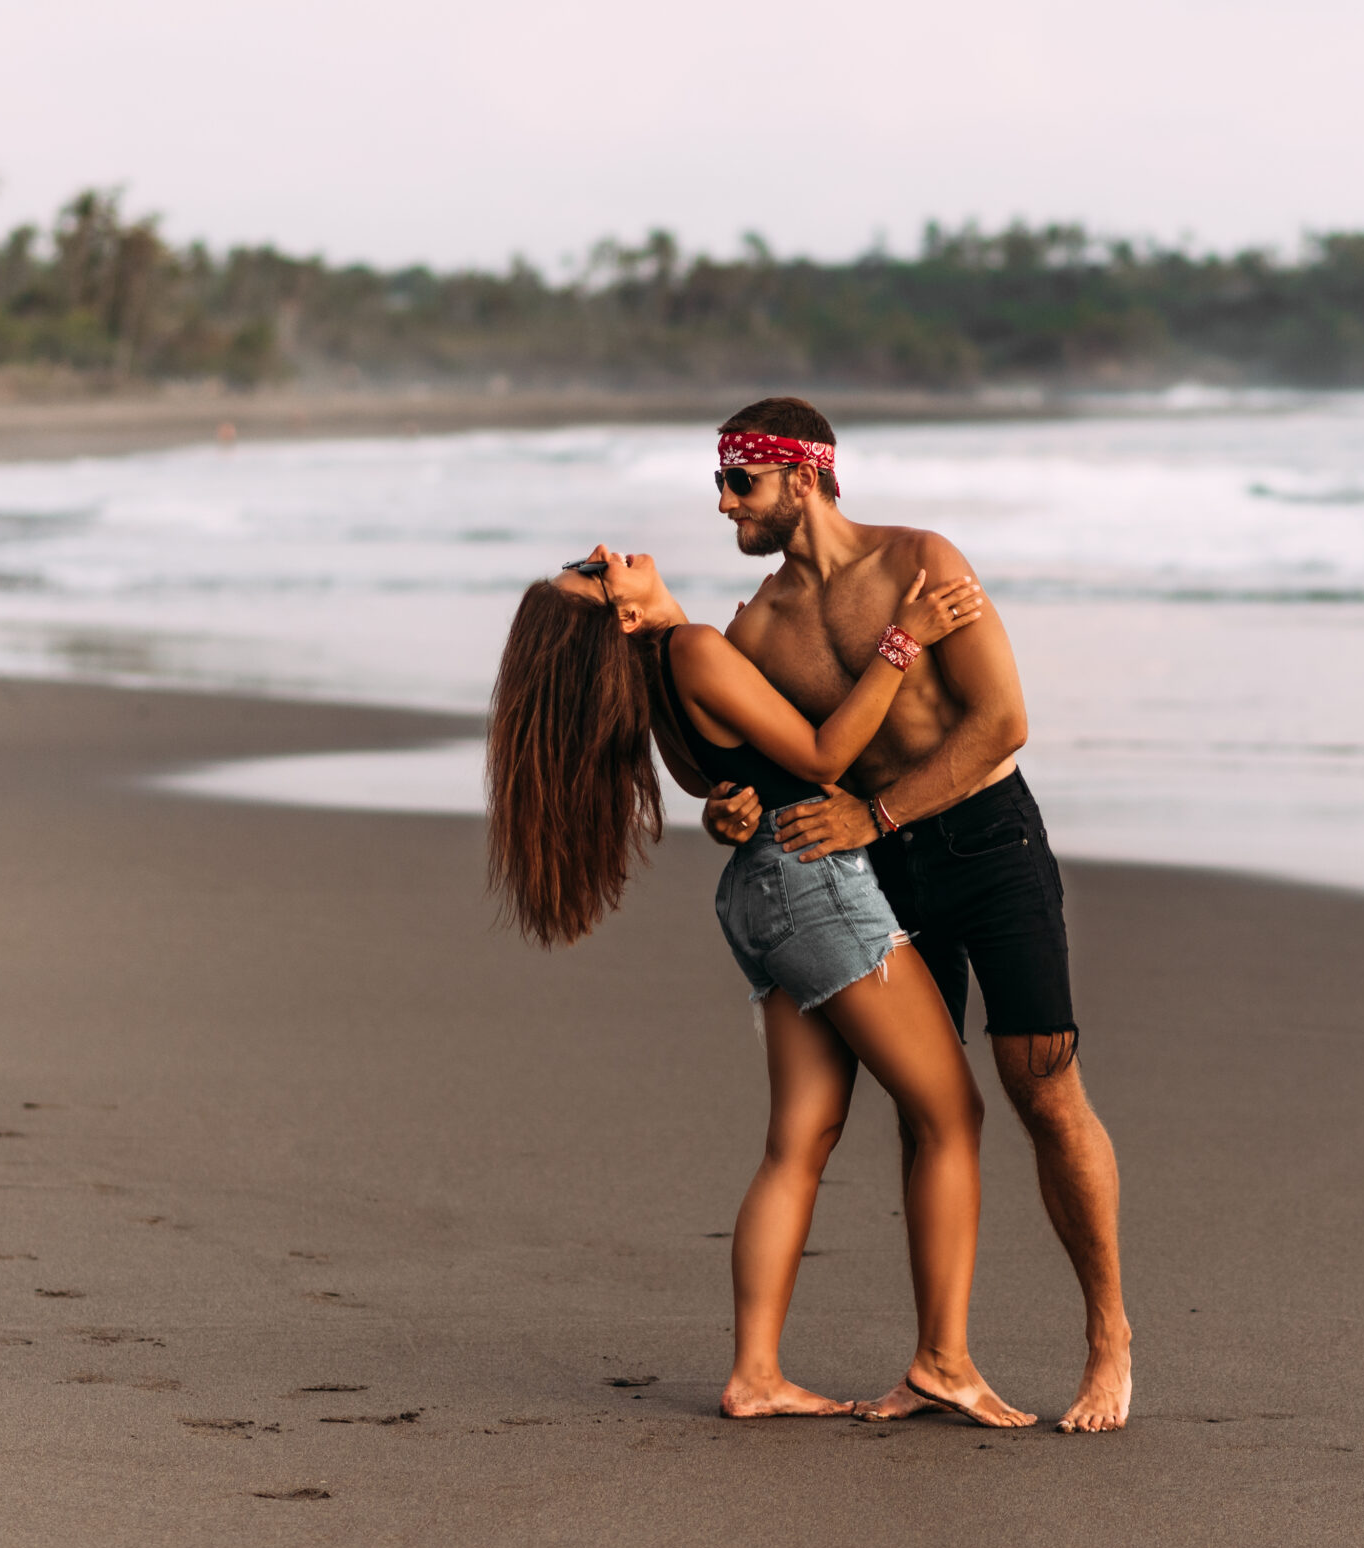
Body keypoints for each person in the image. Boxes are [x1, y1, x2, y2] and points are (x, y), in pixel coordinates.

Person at [486, 543, 1034, 1428]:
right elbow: (822, 755)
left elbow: (724, 786)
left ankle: (757, 1374)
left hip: (756, 893)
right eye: (594, 572)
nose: (604, 555)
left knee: (799, 1141)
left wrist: (722, 810)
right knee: (951, 1114)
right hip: (812, 880)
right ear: (621, 615)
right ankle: (944, 1362)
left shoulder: (659, 685)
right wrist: (905, 639)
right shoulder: (693, 648)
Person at [698, 398, 1135, 1434]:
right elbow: (774, 761)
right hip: (874, 866)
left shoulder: (921, 561)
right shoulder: (754, 628)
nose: (725, 507)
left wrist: (881, 808)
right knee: (928, 1104)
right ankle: (941, 1355)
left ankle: (1108, 1332)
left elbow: (1002, 722)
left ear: (802, 477)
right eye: (721, 485)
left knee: (1042, 1084)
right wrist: (733, 806)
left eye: (740, 484)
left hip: (987, 844)